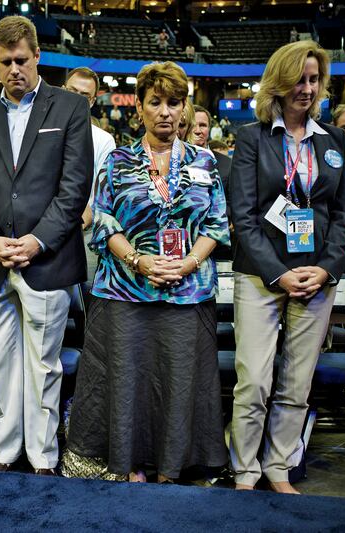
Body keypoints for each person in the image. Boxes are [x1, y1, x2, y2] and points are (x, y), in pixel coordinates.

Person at [63, 61, 229, 483]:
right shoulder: (117, 161)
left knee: (177, 382)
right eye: (155, 102)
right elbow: (102, 222)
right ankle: (128, 464)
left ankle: (171, 466)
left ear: (185, 108)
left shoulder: (205, 162)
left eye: (174, 103)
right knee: (128, 383)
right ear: (139, 108)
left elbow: (216, 224)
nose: (165, 112)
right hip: (124, 293)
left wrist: (188, 262)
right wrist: (139, 261)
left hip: (187, 293)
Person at [0, 16, 92, 475]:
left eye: (22, 59)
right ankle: (5, 450)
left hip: (48, 258)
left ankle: (42, 455)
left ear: (38, 56)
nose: (15, 68)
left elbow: (74, 188)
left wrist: (36, 241)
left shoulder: (71, 109)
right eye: (5, 62)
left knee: (44, 365)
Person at [229, 40, 345, 494]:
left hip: (317, 277)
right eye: (298, 79)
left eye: (314, 79)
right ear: (279, 84)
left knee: (297, 381)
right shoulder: (251, 137)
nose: (307, 88)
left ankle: (278, 466)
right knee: (255, 379)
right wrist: (278, 273)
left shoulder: (335, 140)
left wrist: (326, 269)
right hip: (260, 276)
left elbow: (344, 215)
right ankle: (244, 470)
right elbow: (242, 217)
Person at [63, 67, 116, 285]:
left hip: (83, 233)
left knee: (86, 307)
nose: (76, 99)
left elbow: (103, 196)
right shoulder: (38, 131)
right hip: (38, 231)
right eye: (72, 91)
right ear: (62, 90)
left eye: (84, 96)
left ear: (92, 101)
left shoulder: (103, 140)